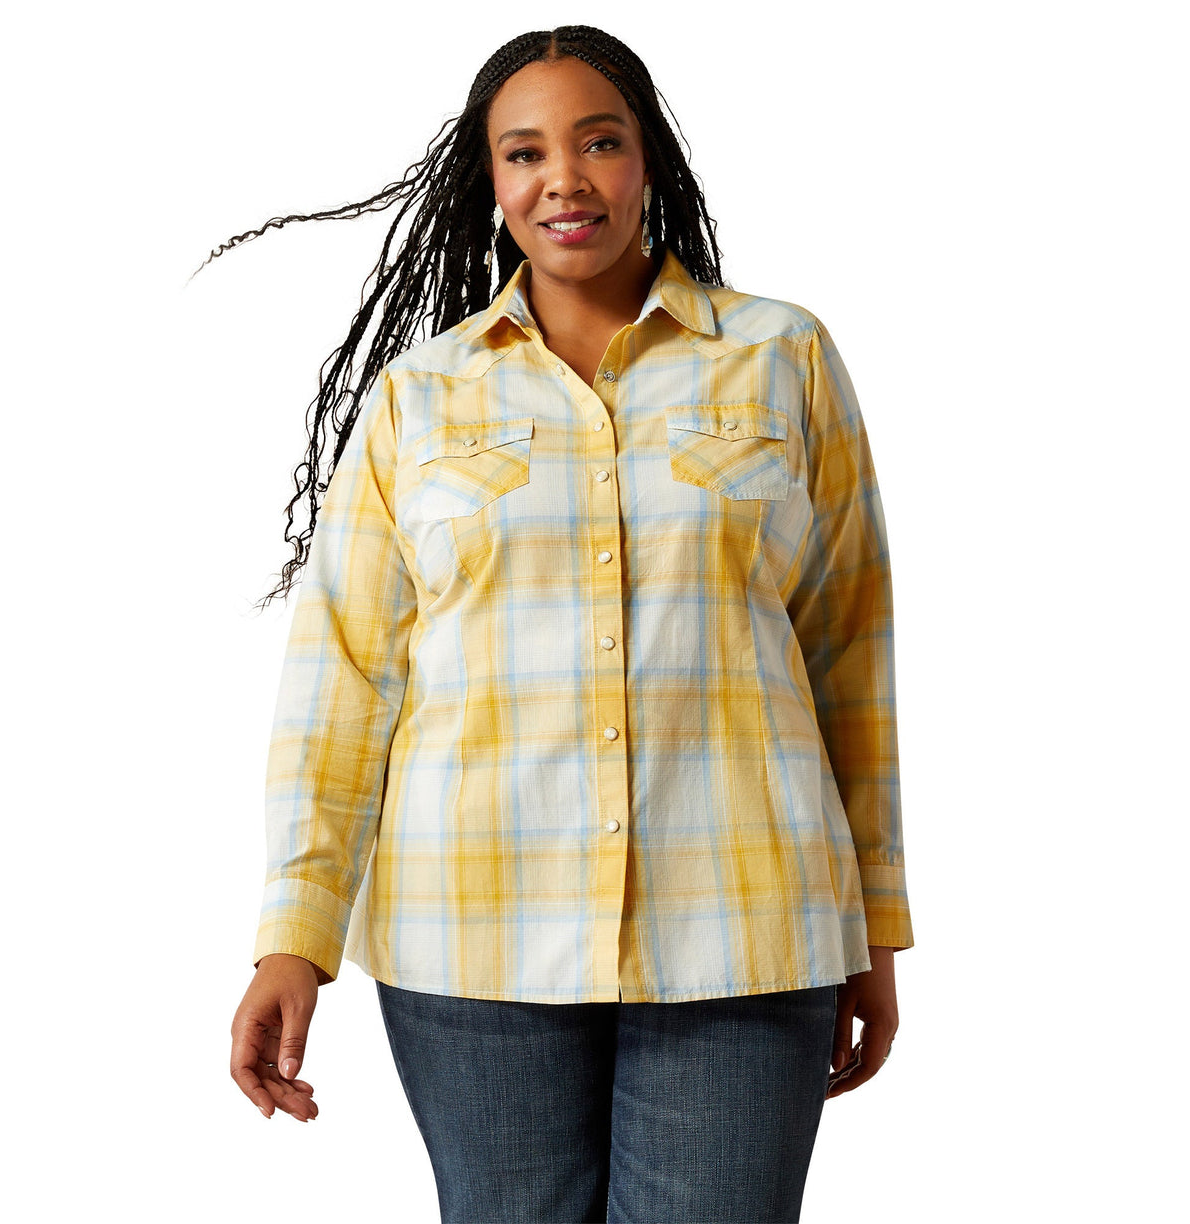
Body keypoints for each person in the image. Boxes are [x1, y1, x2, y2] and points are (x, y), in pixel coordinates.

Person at [214, 24, 914, 1223]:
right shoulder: (421, 399)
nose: (565, 180)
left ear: (649, 160)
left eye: (599, 141)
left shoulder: (781, 359)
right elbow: (344, 679)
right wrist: (295, 937)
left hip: (741, 935)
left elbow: (848, 652)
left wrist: (877, 923)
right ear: (491, 184)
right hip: (470, 942)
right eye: (525, 152)